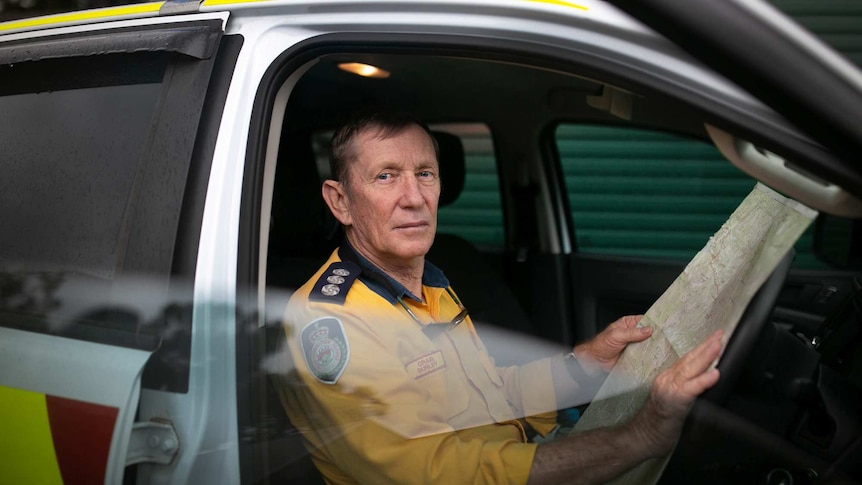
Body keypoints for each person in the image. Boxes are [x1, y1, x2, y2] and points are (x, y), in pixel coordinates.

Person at [279, 109, 723, 484]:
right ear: (340, 202)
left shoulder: (429, 282)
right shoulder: (329, 321)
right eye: (386, 176)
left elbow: (492, 394)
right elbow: (438, 473)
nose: (414, 198)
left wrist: (586, 364)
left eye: (425, 174)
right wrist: (633, 441)